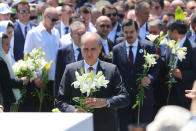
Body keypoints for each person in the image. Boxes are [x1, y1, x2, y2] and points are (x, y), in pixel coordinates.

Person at [56, 32, 129, 131]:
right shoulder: (70, 70)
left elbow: (124, 98)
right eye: (86, 49)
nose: (89, 53)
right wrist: (74, 111)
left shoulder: (111, 69)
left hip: (105, 126)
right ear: (81, 49)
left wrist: (105, 102)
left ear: (100, 49)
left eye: (93, 49)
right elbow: (60, 100)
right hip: (78, 126)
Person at [112, 19, 159, 131]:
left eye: (131, 32)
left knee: (144, 127)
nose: (129, 35)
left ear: (138, 31)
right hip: (124, 99)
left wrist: (149, 78)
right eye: (126, 32)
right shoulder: (117, 49)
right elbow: (114, 71)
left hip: (143, 97)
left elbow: (156, 68)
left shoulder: (148, 46)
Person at [24, 7, 60, 111]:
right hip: (39, 81)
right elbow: (27, 57)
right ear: (45, 16)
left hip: (54, 80)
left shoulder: (56, 32)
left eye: (56, 20)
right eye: (53, 19)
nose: (54, 22)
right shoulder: (33, 33)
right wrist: (35, 78)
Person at [163, 19, 196, 109]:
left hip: (185, 95)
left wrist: (182, 74)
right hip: (169, 94)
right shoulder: (170, 45)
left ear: (175, 32)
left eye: (168, 31)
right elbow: (165, 62)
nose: (167, 34)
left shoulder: (193, 48)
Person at [54, 21, 86, 98]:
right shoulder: (62, 52)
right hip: (69, 96)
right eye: (78, 34)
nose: (81, 37)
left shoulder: (92, 50)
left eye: (83, 34)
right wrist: (57, 99)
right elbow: (58, 77)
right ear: (71, 36)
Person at [0, 32, 29, 112]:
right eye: (6, 44)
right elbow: (6, 82)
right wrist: (21, 81)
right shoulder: (1, 61)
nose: (9, 47)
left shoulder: (4, 58)